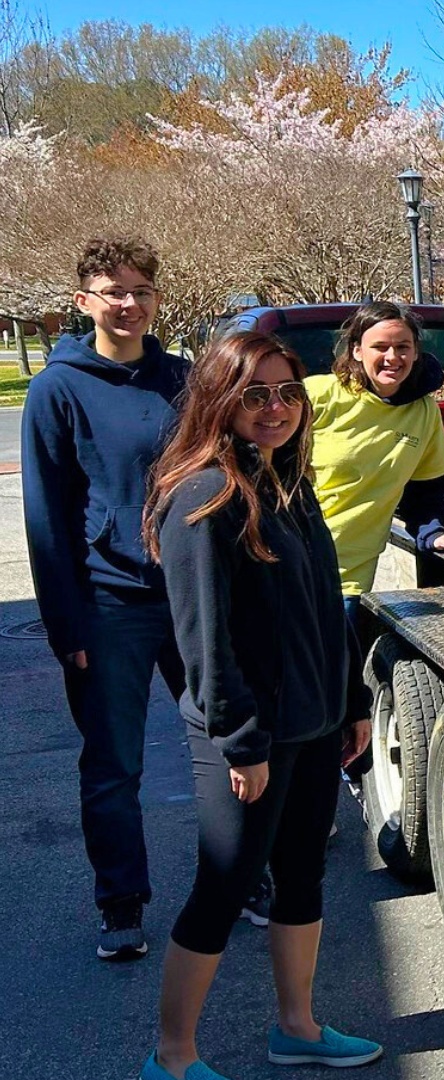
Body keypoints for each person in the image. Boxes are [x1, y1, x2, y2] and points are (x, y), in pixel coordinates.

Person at [139, 331, 382, 1079]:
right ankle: (172, 1059)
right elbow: (205, 644)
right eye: (254, 395)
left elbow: (323, 606)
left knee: (303, 877)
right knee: (224, 887)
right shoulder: (204, 495)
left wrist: (350, 701)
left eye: (287, 393)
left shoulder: (287, 481)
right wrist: (242, 744)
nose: (275, 408)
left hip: (313, 724)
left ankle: (298, 1028)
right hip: (247, 737)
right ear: (220, 400)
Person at [22, 236, 191, 962]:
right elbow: (47, 517)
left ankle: (245, 879)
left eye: (141, 291)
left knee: (228, 743)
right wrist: (67, 625)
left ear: (157, 298)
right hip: (108, 603)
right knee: (115, 764)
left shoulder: (183, 379)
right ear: (84, 300)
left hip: (191, 599)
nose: (129, 304)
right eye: (113, 291)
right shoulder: (57, 389)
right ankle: (121, 901)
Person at [305, 300, 444, 606]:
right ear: (357, 351)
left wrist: (434, 534)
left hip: (349, 579)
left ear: (416, 352)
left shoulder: (424, 412)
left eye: (402, 347)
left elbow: (424, 496)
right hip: (289, 565)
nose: (392, 357)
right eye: (380, 347)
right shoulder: (316, 396)